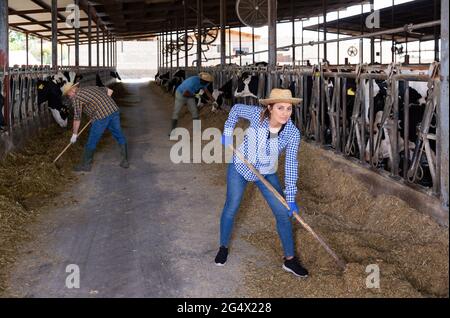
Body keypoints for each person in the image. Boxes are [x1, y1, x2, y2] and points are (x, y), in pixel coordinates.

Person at [215, 88, 308, 278]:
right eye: (280, 108)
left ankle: (289, 260)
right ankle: (223, 246)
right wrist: (227, 131)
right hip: (240, 167)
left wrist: (290, 198)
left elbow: (291, 164)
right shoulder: (257, 115)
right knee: (231, 207)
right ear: (270, 108)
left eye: (289, 109)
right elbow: (235, 109)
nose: (285, 113)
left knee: (283, 214)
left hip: (265, 172)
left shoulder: (292, 133)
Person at [64, 82, 129, 172]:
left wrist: (74, 134)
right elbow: (110, 91)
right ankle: (125, 161)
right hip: (113, 110)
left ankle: (86, 165)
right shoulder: (91, 87)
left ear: (72, 90)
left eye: (68, 94)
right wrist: (102, 105)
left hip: (101, 117)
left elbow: (77, 118)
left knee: (92, 140)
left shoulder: (77, 98)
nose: (68, 96)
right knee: (118, 134)